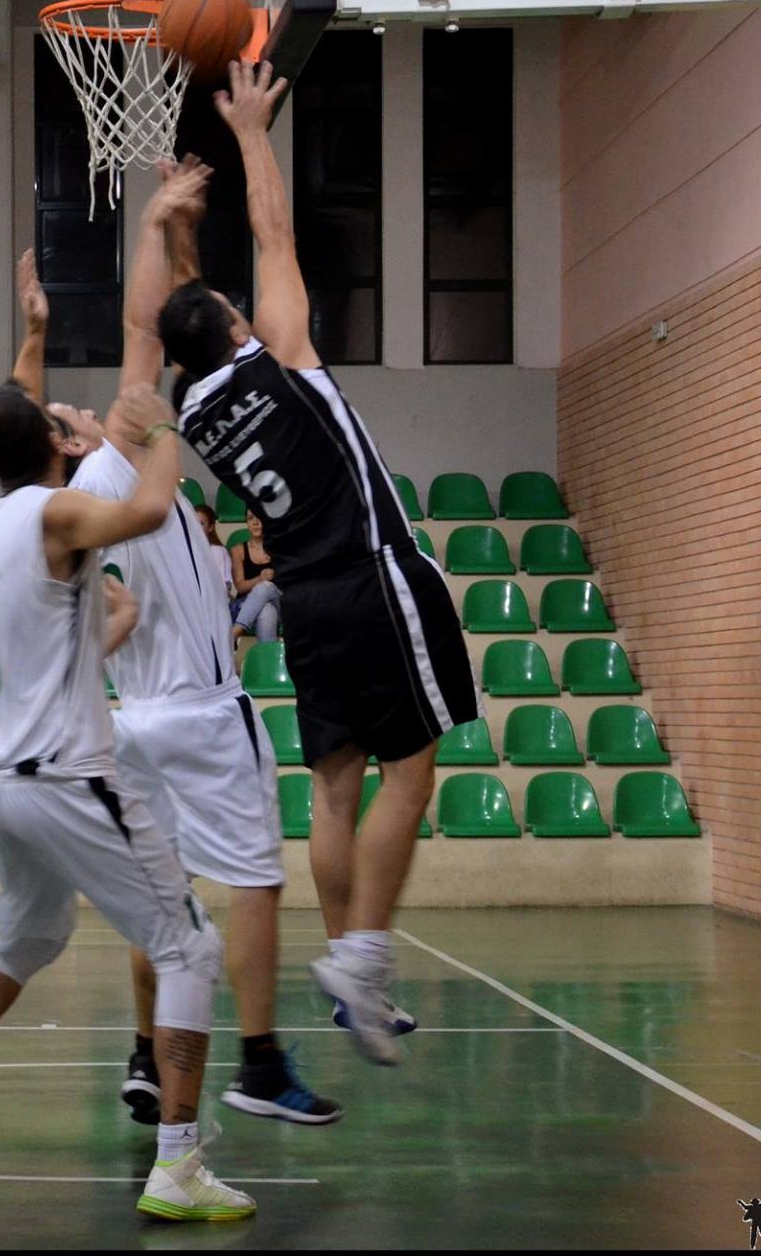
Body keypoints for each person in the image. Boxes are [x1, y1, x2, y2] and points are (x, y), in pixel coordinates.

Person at [0, 252, 253, 1222]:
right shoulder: (54, 510)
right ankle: (177, 1162)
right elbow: (151, 507)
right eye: (53, 422)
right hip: (61, 775)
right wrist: (156, 425)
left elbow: (11, 414)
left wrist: (36, 332)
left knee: (31, 934)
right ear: (49, 444)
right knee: (188, 944)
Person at [162, 61, 477, 1065]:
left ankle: (353, 973)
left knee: (336, 787)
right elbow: (274, 238)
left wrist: (174, 228)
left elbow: (186, 315)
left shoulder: (195, 411)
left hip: (302, 601)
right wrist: (253, 131)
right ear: (239, 327)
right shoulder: (282, 361)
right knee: (412, 769)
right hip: (374, 573)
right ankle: (364, 955)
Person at [78, 167, 341, 1127]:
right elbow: (144, 332)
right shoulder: (118, 472)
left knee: (160, 897)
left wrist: (170, 232)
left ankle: (145, 1056)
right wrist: (153, 221)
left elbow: (158, 335)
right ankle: (260, 1060)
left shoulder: (109, 503)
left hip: (135, 724)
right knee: (255, 879)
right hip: (201, 713)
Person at [230, 510, 280, 644]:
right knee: (267, 610)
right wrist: (259, 579)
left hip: (279, 601)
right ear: (246, 522)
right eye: (250, 518)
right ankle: (267, 656)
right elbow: (240, 587)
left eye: (259, 517)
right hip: (246, 603)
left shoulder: (279, 546)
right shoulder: (238, 550)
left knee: (266, 586)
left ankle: (236, 630)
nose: (255, 522)